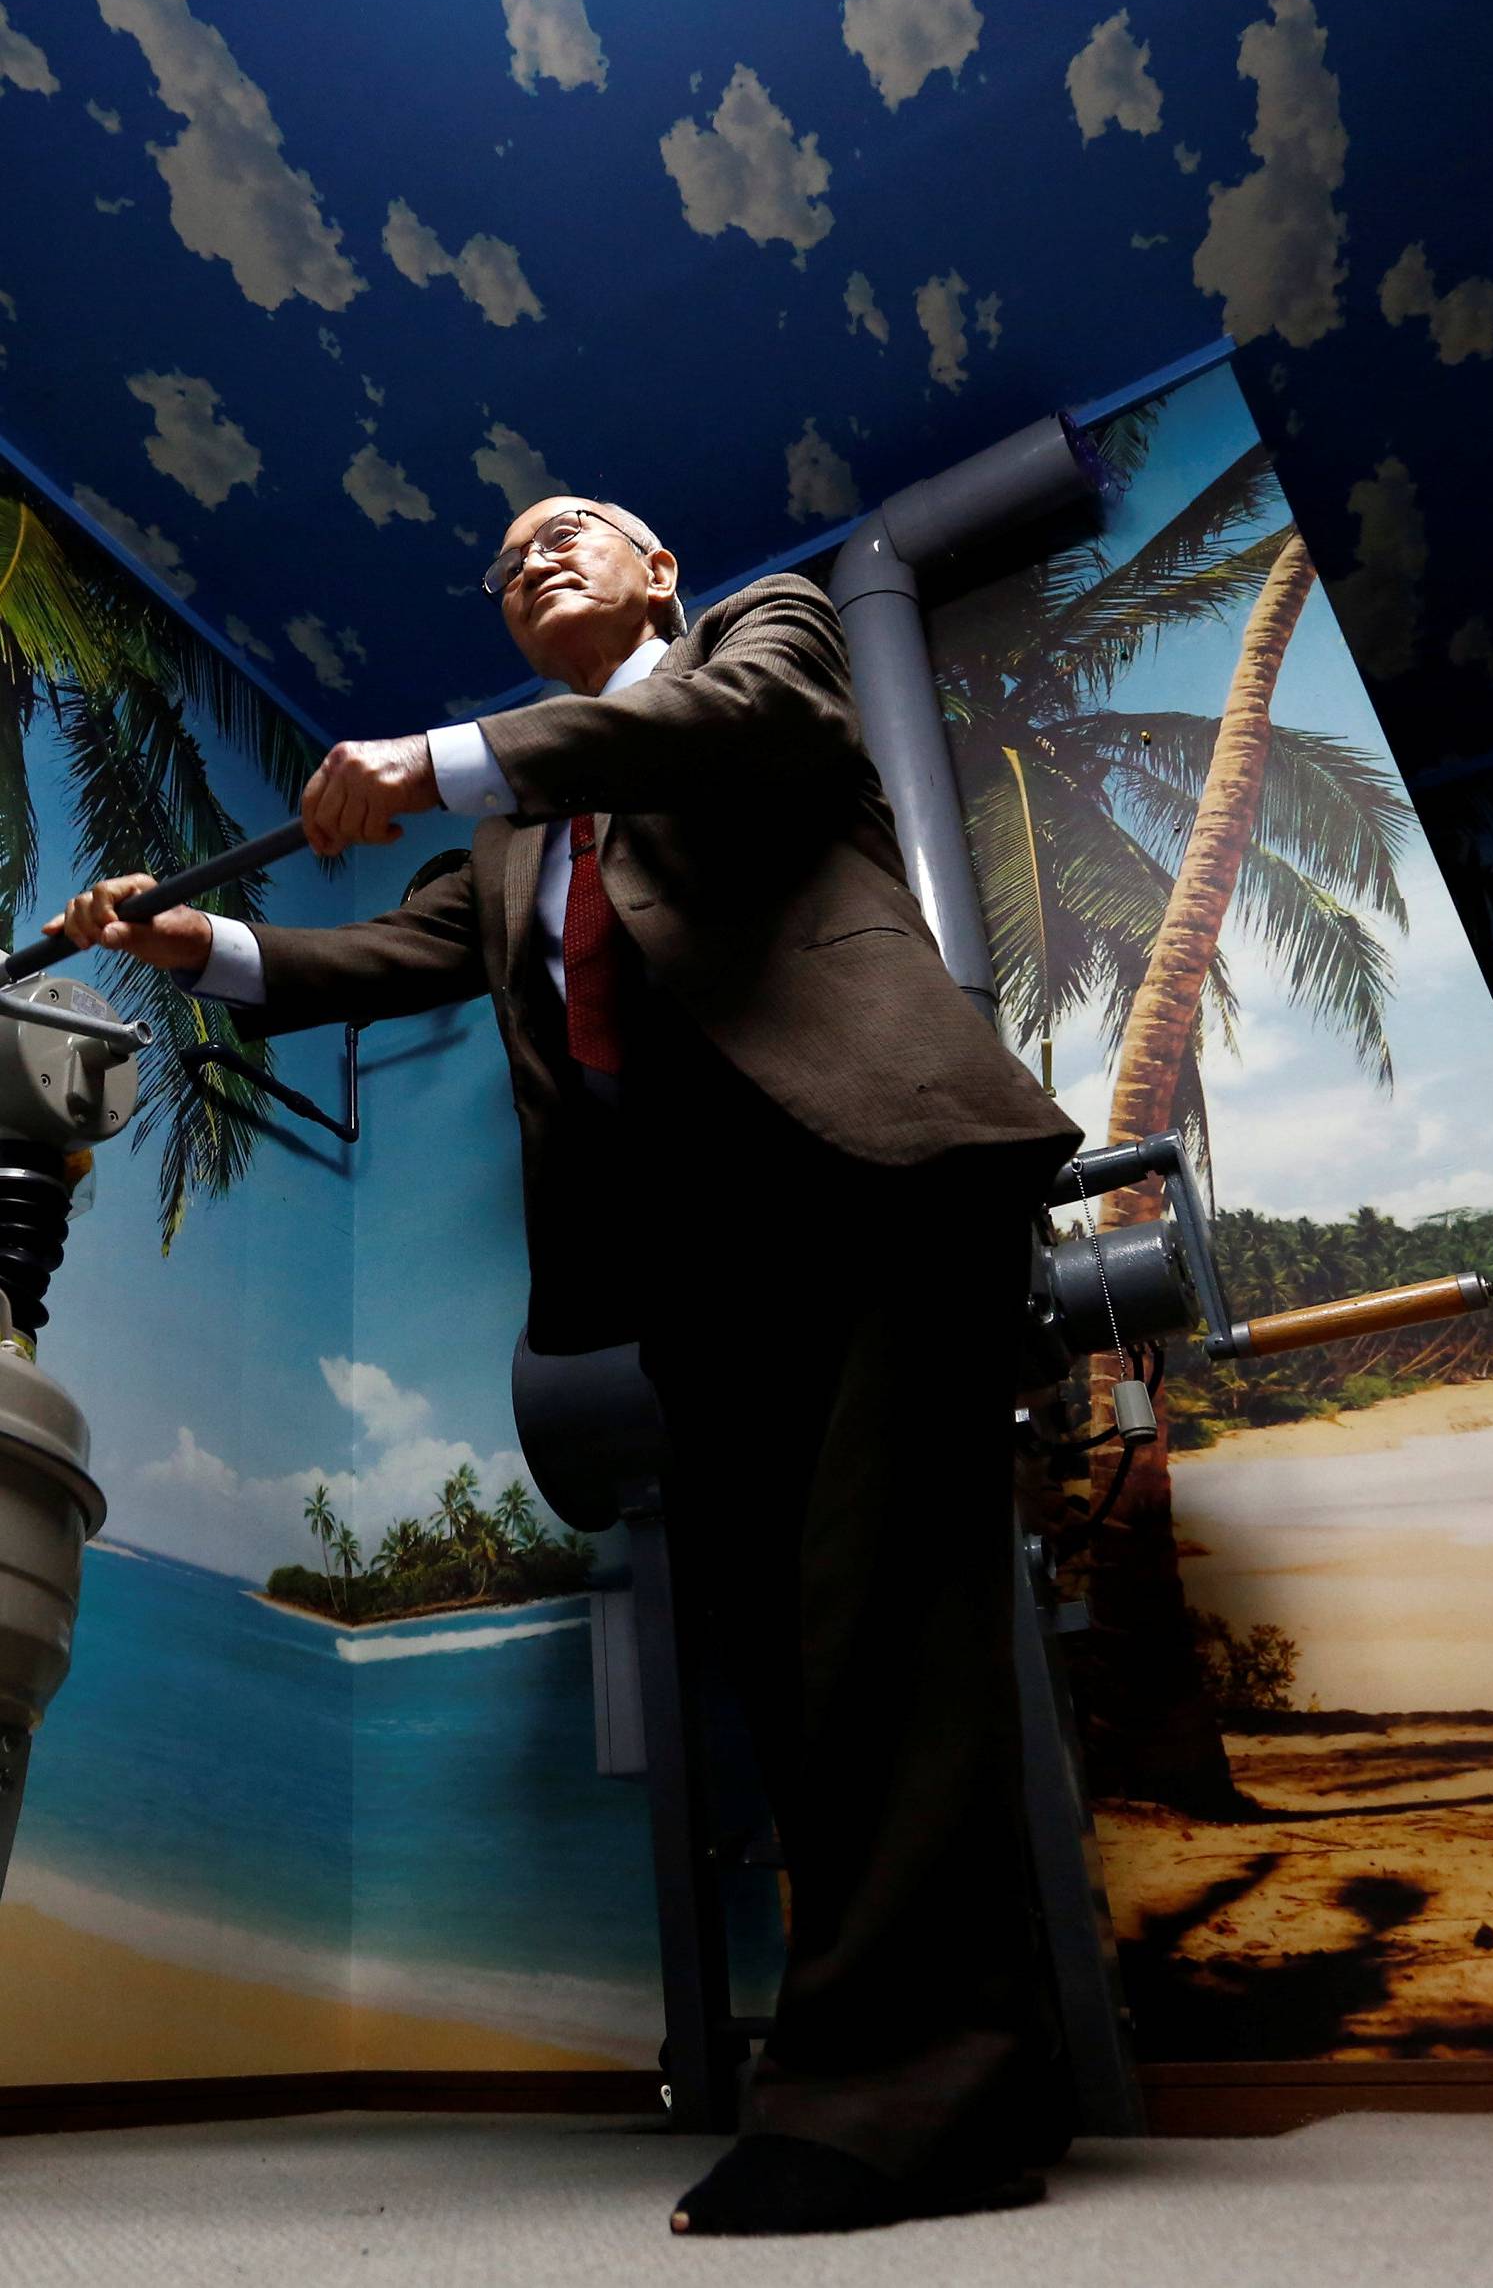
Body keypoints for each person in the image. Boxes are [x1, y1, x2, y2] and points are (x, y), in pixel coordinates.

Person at [51, 500, 1085, 2237]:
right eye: (504, 559)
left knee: (885, 1627)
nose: (530, 558)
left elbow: (732, 730)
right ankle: (963, 2088)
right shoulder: (521, 848)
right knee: (790, 1666)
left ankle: (893, 2104)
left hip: (875, 1181)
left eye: (571, 533)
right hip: (699, 1270)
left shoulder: (769, 634)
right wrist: (196, 948)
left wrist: (442, 753)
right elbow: (384, 954)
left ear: (661, 568)